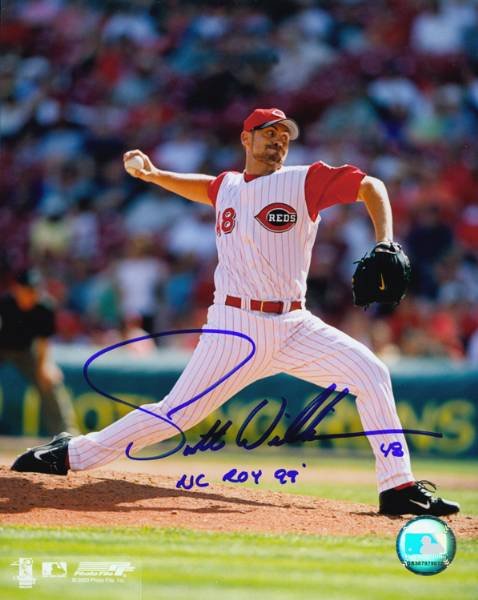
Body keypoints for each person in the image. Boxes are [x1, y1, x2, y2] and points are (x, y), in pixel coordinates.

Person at [11, 108, 459, 516]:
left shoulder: (303, 180)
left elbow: (370, 186)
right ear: (246, 139)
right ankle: (71, 453)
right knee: (176, 415)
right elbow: (204, 187)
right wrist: (154, 175)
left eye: (285, 135)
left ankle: (397, 486)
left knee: (371, 372)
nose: (278, 140)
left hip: (294, 324)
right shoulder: (227, 186)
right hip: (235, 328)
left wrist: (386, 240)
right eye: (269, 133)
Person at [1, 270, 79, 435]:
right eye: (27, 291)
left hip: (26, 351)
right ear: (16, 289)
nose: (31, 295)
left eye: (34, 291)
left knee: (49, 381)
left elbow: (43, 341)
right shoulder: (4, 304)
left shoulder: (45, 307)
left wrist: (45, 366)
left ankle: (66, 433)